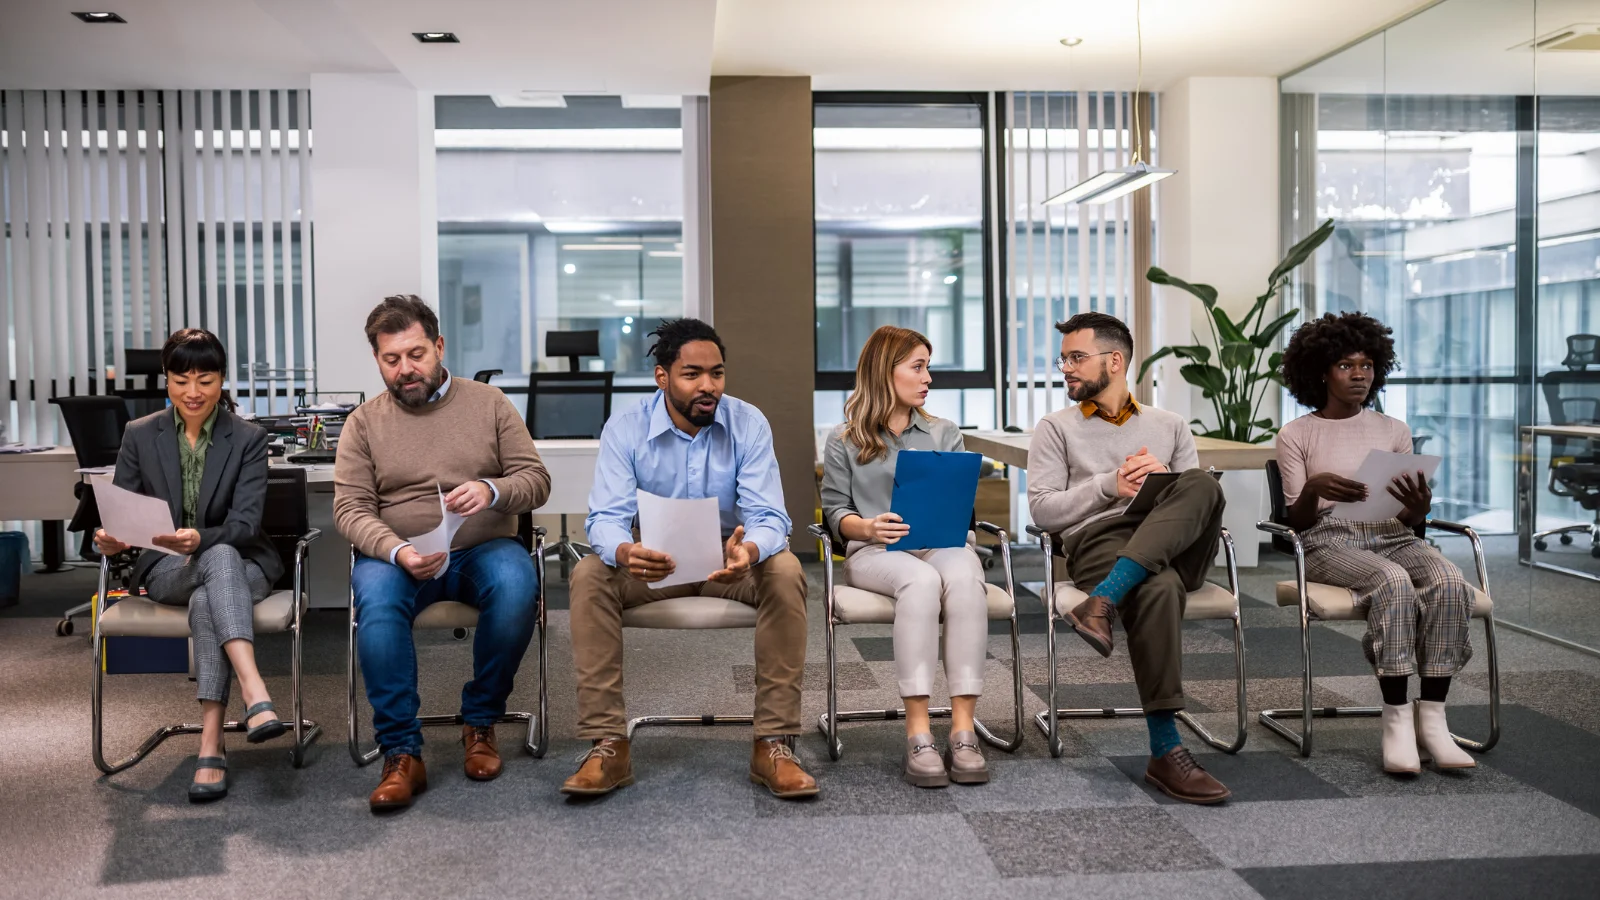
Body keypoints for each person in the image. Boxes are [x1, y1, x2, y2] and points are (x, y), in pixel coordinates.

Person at [562, 318, 815, 800]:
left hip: (729, 561)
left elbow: (770, 515)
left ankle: (773, 743)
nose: (708, 386)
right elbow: (604, 518)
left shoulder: (748, 422)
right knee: (590, 573)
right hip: (655, 562)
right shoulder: (626, 427)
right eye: (692, 374)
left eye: (717, 374)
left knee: (785, 569)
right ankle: (608, 744)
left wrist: (751, 550)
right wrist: (625, 551)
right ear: (663, 377)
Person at [335, 294, 551, 813]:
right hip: (400, 556)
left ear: (439, 346)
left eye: (416, 355)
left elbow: (536, 480)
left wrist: (492, 490)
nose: (405, 370)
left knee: (519, 585)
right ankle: (402, 752)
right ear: (377, 360)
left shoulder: (489, 404)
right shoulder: (364, 423)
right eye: (392, 360)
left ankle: (480, 720)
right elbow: (350, 509)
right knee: (378, 606)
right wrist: (395, 550)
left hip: (482, 546)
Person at [1027, 311, 1231, 805]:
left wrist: (1165, 482)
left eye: (1077, 357)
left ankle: (1103, 601)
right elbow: (1043, 510)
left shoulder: (1170, 424)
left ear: (1114, 361)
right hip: (1101, 541)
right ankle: (1166, 750)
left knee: (1201, 481)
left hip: (1175, 541)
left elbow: (1196, 503)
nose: (1067, 369)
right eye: (1064, 360)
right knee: (1158, 587)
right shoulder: (1055, 428)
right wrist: (1109, 486)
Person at [1277, 311, 1476, 775]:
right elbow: (1298, 523)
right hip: (1328, 540)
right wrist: (1314, 487)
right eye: (1346, 365)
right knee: (1391, 582)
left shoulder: (1393, 430)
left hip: (1392, 532)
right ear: (1321, 371)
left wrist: (1420, 506)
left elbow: (1410, 518)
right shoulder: (1296, 434)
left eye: (1366, 365)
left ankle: (1433, 718)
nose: (1359, 374)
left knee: (1448, 580)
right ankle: (1396, 721)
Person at [94, 328, 286, 803]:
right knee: (212, 565)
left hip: (244, 562)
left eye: (205, 378)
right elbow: (122, 512)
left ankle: (210, 743)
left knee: (215, 571)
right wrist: (110, 540)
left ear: (223, 380)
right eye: (181, 380)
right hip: (166, 569)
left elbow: (244, 525)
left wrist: (201, 538)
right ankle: (254, 689)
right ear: (166, 381)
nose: (193, 391)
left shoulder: (249, 438)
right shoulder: (140, 434)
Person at [820, 325, 989, 788]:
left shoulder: (944, 432)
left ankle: (962, 729)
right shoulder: (845, 439)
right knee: (920, 581)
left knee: (966, 575)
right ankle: (918, 733)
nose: (927, 376)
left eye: (927, 366)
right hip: (874, 551)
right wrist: (868, 526)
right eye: (917, 366)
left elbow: (959, 502)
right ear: (884, 370)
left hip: (940, 543)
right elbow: (835, 512)